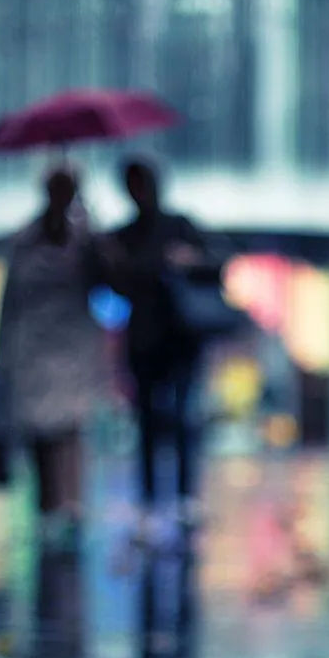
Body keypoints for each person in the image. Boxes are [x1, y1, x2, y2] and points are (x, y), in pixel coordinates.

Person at [0, 167, 107, 542]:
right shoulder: (24, 241)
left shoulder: (86, 238)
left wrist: (92, 228)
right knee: (39, 432)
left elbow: (105, 278)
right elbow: (9, 303)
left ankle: (71, 506)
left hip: (73, 349)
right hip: (32, 349)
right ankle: (48, 508)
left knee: (69, 431)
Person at [109, 158, 214, 531]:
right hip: (145, 342)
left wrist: (191, 261)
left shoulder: (180, 227)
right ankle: (151, 500)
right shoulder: (122, 237)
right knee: (150, 423)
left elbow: (218, 260)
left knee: (184, 418)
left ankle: (185, 497)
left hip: (182, 339)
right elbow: (112, 281)